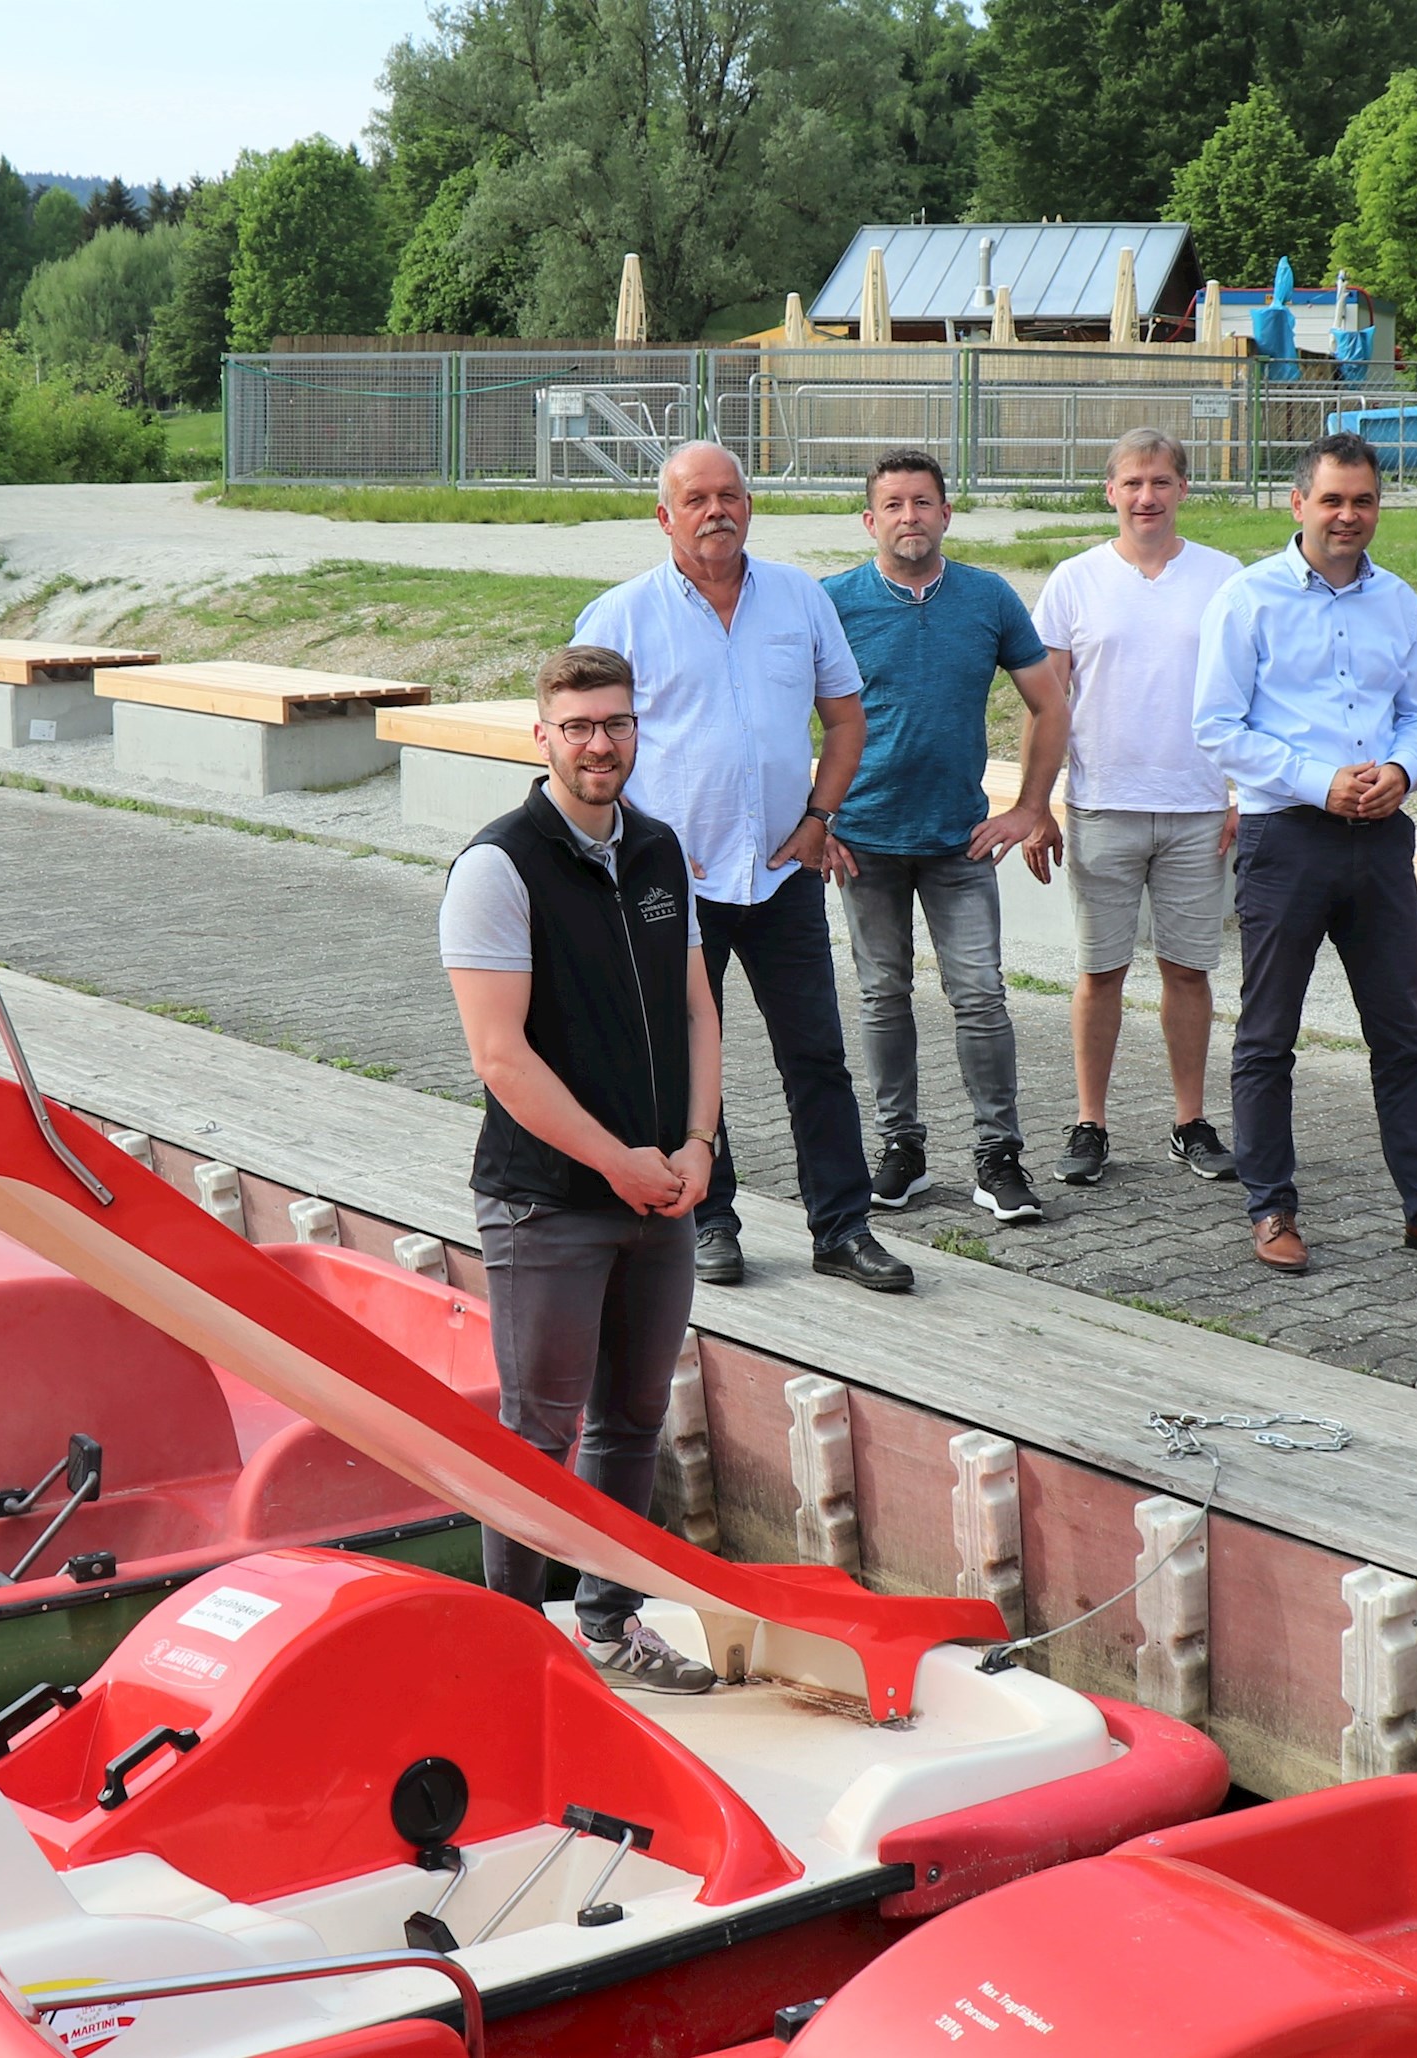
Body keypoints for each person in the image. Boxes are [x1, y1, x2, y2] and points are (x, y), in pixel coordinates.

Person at [440, 646, 727, 1695]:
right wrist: (616, 1163)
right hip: (547, 1201)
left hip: (661, 1190)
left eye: (615, 723)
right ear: (542, 737)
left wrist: (697, 1147)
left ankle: (606, 1621)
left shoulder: (656, 849)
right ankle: (512, 1646)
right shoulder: (497, 866)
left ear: (636, 730)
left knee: (634, 1419)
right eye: (578, 727)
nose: (599, 743)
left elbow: (698, 1008)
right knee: (536, 1434)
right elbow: (499, 1056)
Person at [574, 441, 913, 1294]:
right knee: (686, 1059)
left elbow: (844, 719)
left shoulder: (799, 598)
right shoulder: (619, 617)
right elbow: (590, 747)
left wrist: (818, 819)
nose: (715, 511)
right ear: (664, 516)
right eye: (695, 500)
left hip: (781, 873)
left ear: (750, 505)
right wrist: (636, 845)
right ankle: (710, 1220)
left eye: (730, 495)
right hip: (670, 881)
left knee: (817, 1056)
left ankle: (842, 1228)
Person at [1193, 432, 1417, 1277]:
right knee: (1268, 1035)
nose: (1348, 515)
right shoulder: (1247, 598)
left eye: (1363, 501)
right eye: (1332, 500)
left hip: (1380, 838)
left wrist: (1403, 772)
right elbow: (1217, 726)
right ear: (1298, 504)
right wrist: (1316, 780)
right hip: (1285, 838)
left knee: (1402, 1034)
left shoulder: (1397, 602)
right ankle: (1271, 1209)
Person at [821, 449, 1074, 1227]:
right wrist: (812, 819)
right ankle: (901, 1150)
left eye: (922, 503)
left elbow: (1049, 705)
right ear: (870, 521)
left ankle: (998, 1158)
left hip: (958, 840)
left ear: (945, 514)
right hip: (864, 840)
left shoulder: (988, 598)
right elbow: (783, 712)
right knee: (882, 997)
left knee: (981, 999)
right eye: (892, 505)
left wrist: (1030, 807)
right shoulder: (831, 603)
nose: (909, 517)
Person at [1035, 427, 1243, 1188]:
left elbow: (1254, 694)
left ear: (1184, 489)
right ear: (1110, 492)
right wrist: (1038, 804)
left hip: (1195, 808)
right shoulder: (1074, 580)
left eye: (1161, 482)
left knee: (1189, 972)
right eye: (1133, 483)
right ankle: (1090, 1123)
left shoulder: (1226, 578)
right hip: (1101, 806)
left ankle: (1190, 1121)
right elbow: (1045, 703)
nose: (1147, 496)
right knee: (1101, 973)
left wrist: (1241, 795)